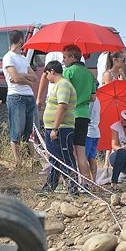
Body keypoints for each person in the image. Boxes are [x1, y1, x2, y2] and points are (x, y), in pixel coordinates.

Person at [38, 61, 77, 195]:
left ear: (52, 71)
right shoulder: (57, 86)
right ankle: (50, 186)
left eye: (47, 74)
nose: (46, 77)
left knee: (65, 158)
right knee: (54, 158)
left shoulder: (63, 85)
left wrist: (55, 128)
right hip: (53, 128)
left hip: (61, 129)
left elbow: (62, 106)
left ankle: (73, 187)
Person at [2, 31, 37, 167]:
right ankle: (18, 162)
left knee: (29, 131)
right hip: (16, 96)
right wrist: (27, 81)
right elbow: (15, 78)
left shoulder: (23, 58)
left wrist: (23, 76)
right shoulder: (8, 57)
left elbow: (34, 77)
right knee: (16, 131)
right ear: (21, 40)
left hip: (29, 96)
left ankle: (32, 160)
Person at [64, 44, 97, 182]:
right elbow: (93, 97)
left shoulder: (68, 71)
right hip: (84, 115)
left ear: (72, 57)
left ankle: (72, 182)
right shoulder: (89, 74)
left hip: (71, 115)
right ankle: (86, 183)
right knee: (81, 153)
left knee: (69, 152)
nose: (63, 60)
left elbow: (64, 92)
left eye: (65, 57)